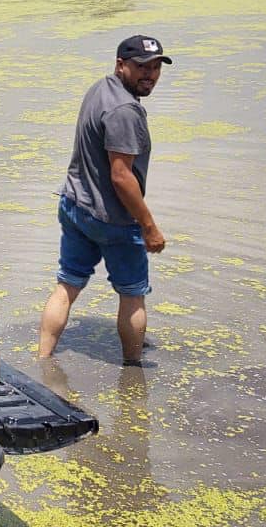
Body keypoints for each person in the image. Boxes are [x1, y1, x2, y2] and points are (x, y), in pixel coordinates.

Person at [38, 35, 171, 365]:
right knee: (133, 293)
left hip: (74, 205)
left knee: (66, 286)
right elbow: (121, 176)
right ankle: (133, 369)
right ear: (120, 65)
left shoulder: (101, 88)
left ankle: (42, 361)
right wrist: (149, 226)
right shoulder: (125, 110)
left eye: (155, 67)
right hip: (112, 220)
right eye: (141, 66)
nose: (150, 74)